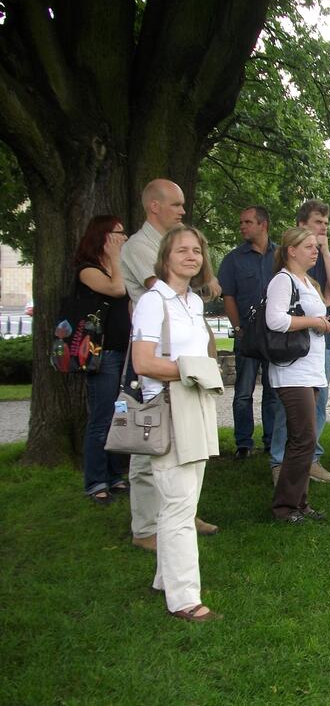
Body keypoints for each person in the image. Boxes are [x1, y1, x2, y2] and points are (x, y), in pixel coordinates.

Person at [120, 179, 219, 550]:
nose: (182, 210)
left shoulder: (184, 283)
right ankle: (145, 527)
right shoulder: (139, 246)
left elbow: (198, 289)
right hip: (155, 357)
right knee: (151, 443)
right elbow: (165, 283)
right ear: (154, 206)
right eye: (176, 204)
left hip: (181, 357)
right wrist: (194, 370)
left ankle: (182, 513)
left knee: (185, 451)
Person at [131, 225, 222, 621]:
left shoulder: (193, 303)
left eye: (197, 250)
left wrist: (198, 373)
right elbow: (143, 363)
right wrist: (193, 369)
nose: (191, 256)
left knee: (184, 500)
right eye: (182, 250)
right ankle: (185, 599)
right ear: (165, 257)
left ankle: (165, 580)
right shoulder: (155, 301)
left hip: (195, 401)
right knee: (178, 505)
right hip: (168, 405)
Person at [269, 199, 330, 485]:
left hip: (318, 347)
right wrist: (315, 319)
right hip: (292, 350)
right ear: (301, 225)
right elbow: (277, 316)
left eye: (326, 224)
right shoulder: (287, 266)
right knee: (288, 409)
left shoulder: (321, 255)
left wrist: (324, 251)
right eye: (317, 223)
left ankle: (309, 460)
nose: (323, 229)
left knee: (318, 405)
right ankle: (280, 462)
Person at [74, 216, 130, 504]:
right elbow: (117, 290)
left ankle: (115, 474)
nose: (124, 237)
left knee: (120, 416)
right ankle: (95, 481)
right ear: (104, 237)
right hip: (103, 355)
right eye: (119, 234)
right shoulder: (88, 270)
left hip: (123, 353)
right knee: (102, 418)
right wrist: (114, 258)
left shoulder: (116, 266)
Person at [217, 205, 276, 460]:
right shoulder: (233, 259)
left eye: (247, 222)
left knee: (273, 392)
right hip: (247, 335)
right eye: (241, 222)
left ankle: (272, 441)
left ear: (263, 225)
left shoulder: (282, 255)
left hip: (275, 336)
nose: (242, 226)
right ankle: (243, 443)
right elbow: (228, 296)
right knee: (243, 392)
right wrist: (238, 328)